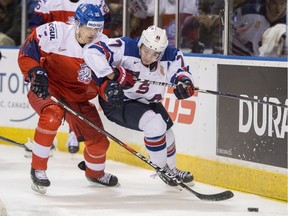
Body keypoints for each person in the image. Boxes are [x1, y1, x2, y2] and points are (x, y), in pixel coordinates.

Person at [18, 3, 123, 194]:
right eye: (88, 27)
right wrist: (36, 72)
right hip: (50, 88)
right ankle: (38, 170)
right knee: (52, 114)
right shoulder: (56, 32)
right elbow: (27, 50)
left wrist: (110, 89)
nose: (93, 33)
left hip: (78, 99)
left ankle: (95, 173)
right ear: (77, 23)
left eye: (97, 28)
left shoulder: (105, 45)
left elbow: (104, 78)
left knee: (100, 144)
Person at [83, 25, 195, 186]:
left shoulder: (171, 55)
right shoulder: (125, 47)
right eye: (146, 50)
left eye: (154, 54)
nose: (148, 57)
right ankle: (162, 169)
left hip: (145, 101)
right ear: (141, 42)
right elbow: (91, 51)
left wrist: (184, 82)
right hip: (118, 102)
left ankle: (171, 169)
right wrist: (113, 74)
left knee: (168, 134)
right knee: (155, 125)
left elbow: (181, 72)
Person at [28, 0, 111, 154]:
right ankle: (48, 137)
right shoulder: (49, 1)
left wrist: (94, 50)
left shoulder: (96, 3)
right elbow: (36, 25)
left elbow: (104, 27)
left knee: (75, 96)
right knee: (50, 107)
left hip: (81, 52)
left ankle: (74, 132)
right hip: (55, 54)